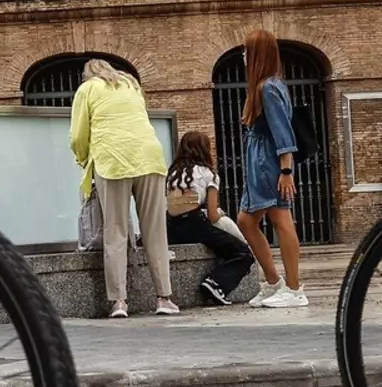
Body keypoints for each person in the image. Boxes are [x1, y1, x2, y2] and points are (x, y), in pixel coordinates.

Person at [69, 58, 176, 318]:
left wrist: (83, 159)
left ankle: (119, 303)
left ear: (87, 74)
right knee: (155, 232)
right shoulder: (131, 84)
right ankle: (164, 299)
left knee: (115, 231)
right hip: (149, 158)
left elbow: (78, 135)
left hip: (112, 160)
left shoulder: (87, 89)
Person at [235, 29, 307, 309]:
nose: (243, 54)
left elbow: (282, 130)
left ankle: (293, 287)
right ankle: (275, 282)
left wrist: (286, 170)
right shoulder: (266, 87)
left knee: (281, 219)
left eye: (246, 50)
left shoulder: (268, 88)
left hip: (269, 161)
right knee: (246, 220)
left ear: (257, 55)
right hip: (261, 160)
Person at [165, 129, 254, 306]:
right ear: (204, 149)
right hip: (194, 226)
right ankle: (216, 283)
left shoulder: (172, 174)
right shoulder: (208, 174)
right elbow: (213, 215)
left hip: (170, 227)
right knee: (244, 253)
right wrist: (219, 213)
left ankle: (214, 284)